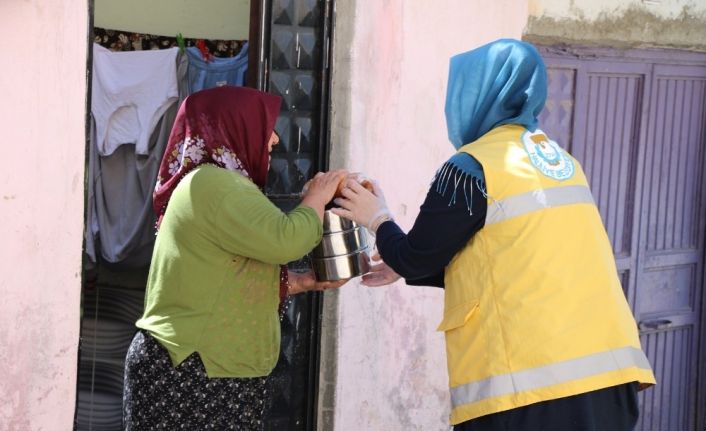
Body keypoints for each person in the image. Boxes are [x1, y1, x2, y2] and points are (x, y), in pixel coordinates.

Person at [332, 39, 656, 431]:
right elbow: (511, 257)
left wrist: (378, 218)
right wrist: (401, 264)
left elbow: (419, 254)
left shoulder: (472, 167)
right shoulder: (562, 162)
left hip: (533, 391)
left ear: (479, 95)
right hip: (607, 380)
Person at [122, 86, 347, 430]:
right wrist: (318, 195)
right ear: (232, 127)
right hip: (195, 370)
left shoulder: (214, 184)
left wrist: (300, 282)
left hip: (203, 369)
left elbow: (225, 276)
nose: (273, 140)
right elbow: (288, 239)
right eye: (264, 125)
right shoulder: (215, 184)